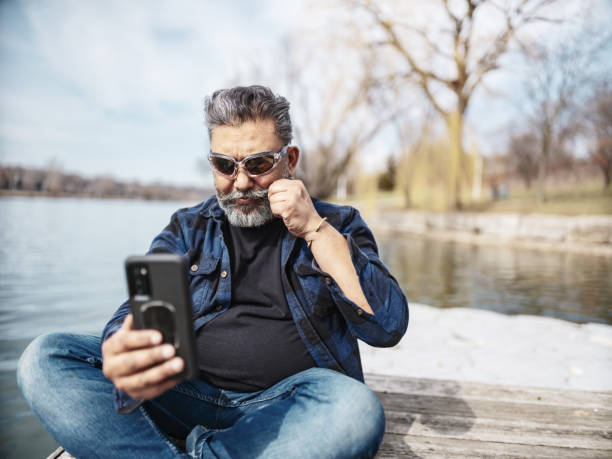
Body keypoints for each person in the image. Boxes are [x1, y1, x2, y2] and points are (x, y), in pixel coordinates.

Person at [17, 85, 409, 458]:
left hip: (290, 405)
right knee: (45, 358)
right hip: (184, 393)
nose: (240, 182)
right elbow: (140, 311)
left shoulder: (337, 223)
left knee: (356, 411)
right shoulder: (188, 227)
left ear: (289, 161)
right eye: (224, 165)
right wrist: (124, 341)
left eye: (257, 164)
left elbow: (386, 326)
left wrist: (315, 230)